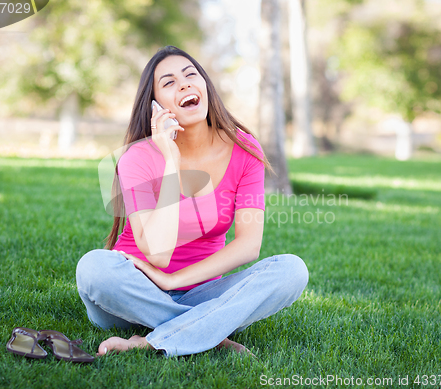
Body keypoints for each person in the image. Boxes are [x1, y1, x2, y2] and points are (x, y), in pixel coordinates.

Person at [76, 45, 309, 358]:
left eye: (190, 75)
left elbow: (248, 246)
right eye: (169, 82)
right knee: (94, 268)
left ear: (205, 87)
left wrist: (175, 280)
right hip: (133, 293)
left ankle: (156, 338)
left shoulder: (244, 149)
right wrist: (170, 161)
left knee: (292, 271)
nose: (184, 84)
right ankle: (210, 330)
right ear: (155, 105)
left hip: (203, 292)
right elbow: (156, 256)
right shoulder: (138, 159)